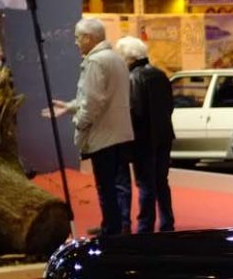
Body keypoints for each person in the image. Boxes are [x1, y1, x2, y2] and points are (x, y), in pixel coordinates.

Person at [45, 19, 133, 236]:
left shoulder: (95, 62)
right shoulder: (116, 59)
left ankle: (110, 228)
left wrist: (80, 122)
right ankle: (116, 225)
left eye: (77, 37)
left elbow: (92, 101)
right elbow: (102, 98)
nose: (76, 43)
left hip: (102, 135)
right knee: (117, 184)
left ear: (88, 38)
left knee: (105, 186)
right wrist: (70, 106)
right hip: (119, 133)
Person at [115, 35, 175, 233]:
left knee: (145, 184)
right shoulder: (160, 74)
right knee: (161, 182)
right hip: (164, 136)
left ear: (128, 58)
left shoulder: (133, 78)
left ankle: (145, 226)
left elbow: (135, 111)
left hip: (144, 139)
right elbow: (169, 105)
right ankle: (167, 223)